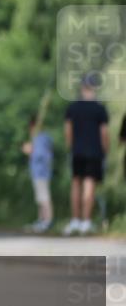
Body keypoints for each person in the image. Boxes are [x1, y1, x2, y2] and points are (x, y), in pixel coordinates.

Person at [63, 74, 109, 236]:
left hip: (77, 151)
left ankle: (75, 220)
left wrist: (71, 148)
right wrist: (105, 151)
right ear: (94, 88)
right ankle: (85, 221)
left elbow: (68, 131)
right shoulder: (99, 108)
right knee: (89, 185)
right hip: (94, 152)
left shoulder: (73, 107)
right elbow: (104, 133)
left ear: (82, 87)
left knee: (76, 184)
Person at [21, 115, 53, 233]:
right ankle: (41, 220)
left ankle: (47, 221)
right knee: (40, 198)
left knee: (44, 197)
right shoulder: (41, 138)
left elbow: (40, 155)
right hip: (38, 173)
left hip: (41, 173)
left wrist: (30, 150)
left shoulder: (40, 138)